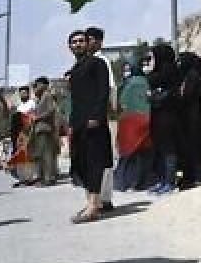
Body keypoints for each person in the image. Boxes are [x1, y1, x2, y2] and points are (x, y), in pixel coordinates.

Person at [66, 31, 112, 223]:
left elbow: (103, 91)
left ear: (88, 43)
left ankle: (94, 205)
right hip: (78, 124)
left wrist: (96, 116)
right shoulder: (74, 70)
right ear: (69, 47)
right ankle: (91, 203)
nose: (78, 44)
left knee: (94, 163)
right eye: (74, 42)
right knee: (81, 163)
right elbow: (75, 101)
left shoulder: (97, 63)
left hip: (93, 122)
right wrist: (71, 124)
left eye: (81, 41)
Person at [83, 26, 116, 211]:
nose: (88, 43)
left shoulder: (102, 61)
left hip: (99, 116)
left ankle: (104, 198)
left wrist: (106, 112)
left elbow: (110, 89)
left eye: (91, 39)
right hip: (89, 116)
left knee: (103, 157)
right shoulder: (86, 61)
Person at [146, 44, 182, 194]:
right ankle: (162, 180)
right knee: (160, 149)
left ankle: (169, 182)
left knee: (168, 149)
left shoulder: (169, 72)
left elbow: (169, 95)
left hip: (168, 117)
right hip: (158, 116)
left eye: (153, 57)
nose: (151, 61)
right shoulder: (158, 73)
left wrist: (155, 96)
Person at [113, 63, 154, 192]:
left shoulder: (125, 85)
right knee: (144, 154)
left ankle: (124, 182)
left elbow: (118, 105)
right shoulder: (148, 82)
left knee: (127, 156)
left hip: (128, 123)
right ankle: (143, 182)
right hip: (146, 120)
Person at [177, 51, 201, 188]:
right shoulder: (188, 75)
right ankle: (199, 173)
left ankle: (198, 176)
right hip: (190, 116)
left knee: (194, 146)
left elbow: (188, 95)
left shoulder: (192, 76)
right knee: (195, 146)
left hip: (192, 117)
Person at [27, 78, 58, 186]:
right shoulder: (39, 99)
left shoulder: (47, 95)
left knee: (46, 155)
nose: (35, 88)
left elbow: (51, 110)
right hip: (39, 130)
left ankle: (49, 178)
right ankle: (44, 177)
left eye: (37, 85)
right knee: (41, 154)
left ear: (43, 85)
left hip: (45, 129)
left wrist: (38, 117)